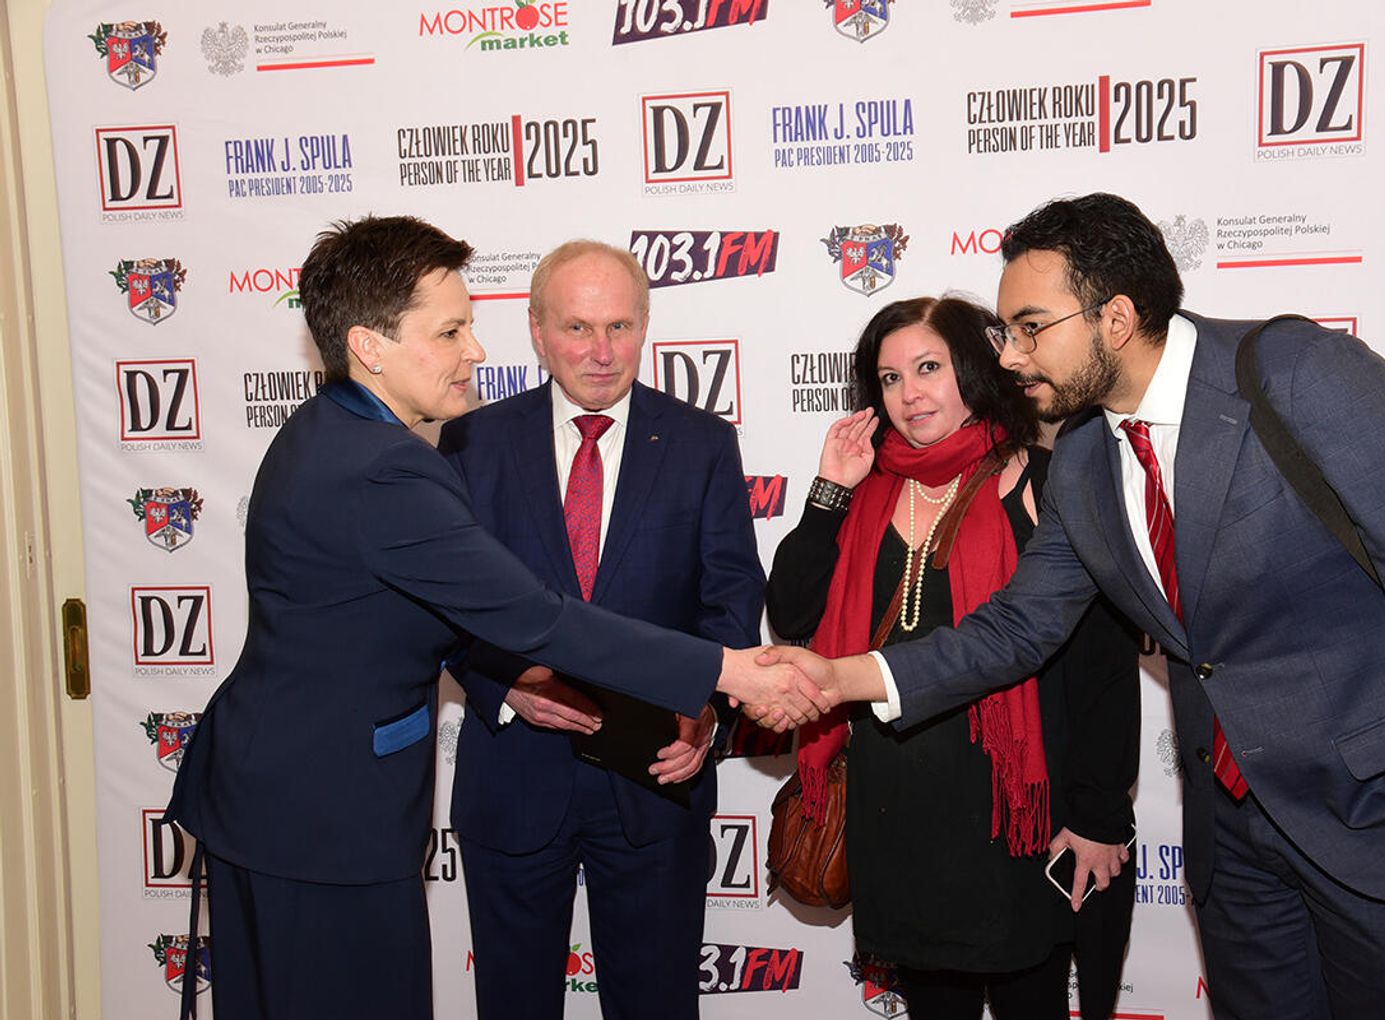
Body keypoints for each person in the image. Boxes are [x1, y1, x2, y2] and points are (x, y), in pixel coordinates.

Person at [765, 193, 1385, 1019]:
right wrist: (842, 677)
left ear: (1117, 318)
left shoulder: (1298, 373)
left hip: (1384, 822)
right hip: (1234, 846)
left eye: (1030, 328)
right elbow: (1019, 625)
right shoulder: (1084, 457)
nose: (1010, 357)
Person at [163, 215, 825, 1020]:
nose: (475, 351)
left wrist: (705, 702)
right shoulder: (388, 466)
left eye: (469, 327)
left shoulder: (330, 428)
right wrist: (726, 671)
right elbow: (533, 617)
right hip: (321, 817)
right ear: (371, 346)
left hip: (289, 801)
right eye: (449, 332)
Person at [765, 295, 1140, 1020]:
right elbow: (792, 613)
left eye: (929, 368)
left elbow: (1104, 665)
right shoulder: (867, 490)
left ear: (973, 368)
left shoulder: (1044, 481)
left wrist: (1097, 813)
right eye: (890, 378)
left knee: (1033, 1000)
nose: (910, 393)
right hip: (898, 814)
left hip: (1019, 815)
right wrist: (829, 491)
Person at [437, 240, 763, 1020]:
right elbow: (442, 604)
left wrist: (706, 708)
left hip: (657, 775)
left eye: (619, 325)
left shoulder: (701, 443)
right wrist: (506, 685)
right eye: (578, 327)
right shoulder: (472, 443)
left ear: (645, 324)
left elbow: (730, 596)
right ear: (537, 329)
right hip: (513, 776)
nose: (601, 351)